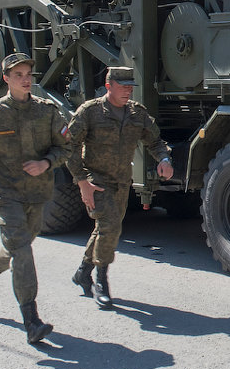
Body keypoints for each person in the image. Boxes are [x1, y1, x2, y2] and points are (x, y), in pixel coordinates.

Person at [0, 52, 70, 344]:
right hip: (7, 195)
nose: (25, 80)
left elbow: (66, 147)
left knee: (19, 247)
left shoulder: (47, 111)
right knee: (22, 251)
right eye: (18, 75)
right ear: (6, 79)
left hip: (39, 194)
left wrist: (46, 163)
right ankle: (31, 320)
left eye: (28, 74)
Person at [66, 65, 172, 309]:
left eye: (130, 87)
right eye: (122, 87)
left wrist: (164, 159)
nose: (127, 92)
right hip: (96, 180)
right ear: (108, 86)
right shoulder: (90, 112)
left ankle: (83, 271)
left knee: (105, 228)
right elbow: (69, 146)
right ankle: (100, 281)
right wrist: (82, 182)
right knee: (109, 227)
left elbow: (155, 141)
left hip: (121, 180)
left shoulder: (137, 114)